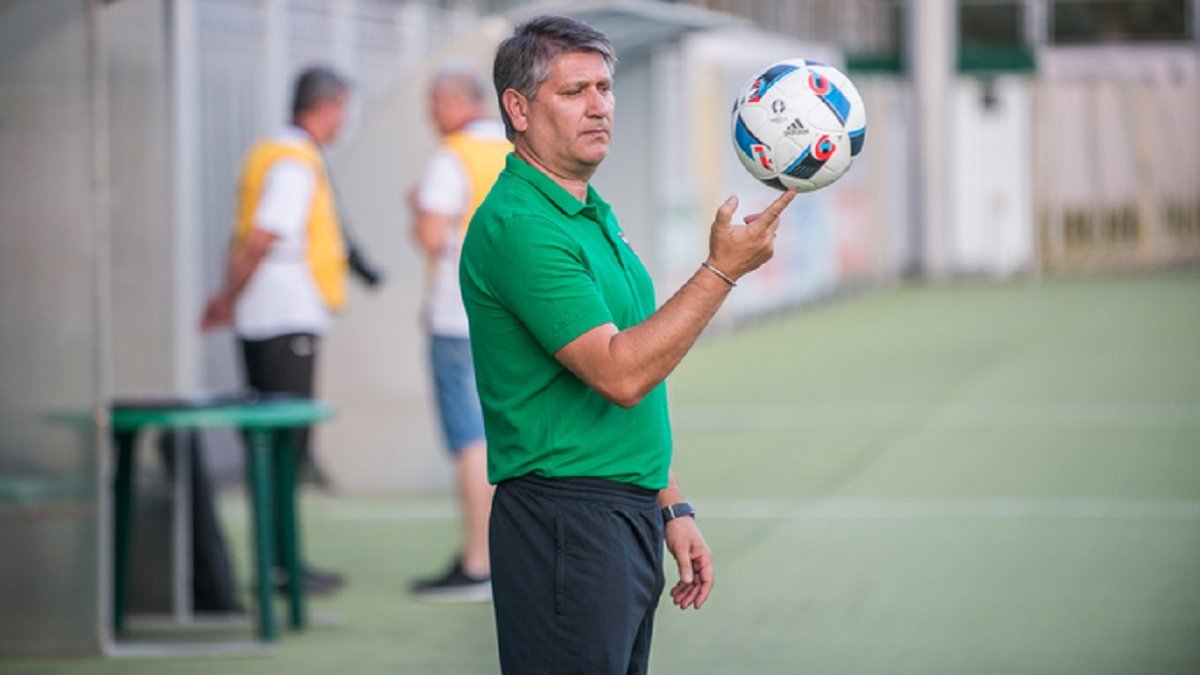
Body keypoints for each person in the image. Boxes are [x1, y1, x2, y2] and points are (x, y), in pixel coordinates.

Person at [460, 15, 797, 675]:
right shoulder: (520, 226)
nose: (599, 107)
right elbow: (621, 375)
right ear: (518, 109)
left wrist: (670, 502)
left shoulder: (587, 210)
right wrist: (722, 270)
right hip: (564, 519)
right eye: (574, 91)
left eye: (605, 88)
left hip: (618, 512)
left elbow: (633, 375)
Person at [200, 65, 353, 596]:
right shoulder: (294, 162)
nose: (344, 121)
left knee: (274, 443)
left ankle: (279, 560)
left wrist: (228, 296)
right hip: (285, 317)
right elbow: (264, 236)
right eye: (343, 109)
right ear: (327, 107)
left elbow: (244, 237)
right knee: (286, 444)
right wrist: (228, 297)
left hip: (267, 315)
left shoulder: (271, 151)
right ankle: (281, 566)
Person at [407, 64, 511, 601]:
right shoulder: (514, 151)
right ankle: (508, 557)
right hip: (510, 315)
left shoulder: (452, 157)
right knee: (506, 436)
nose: (430, 116)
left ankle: (478, 561)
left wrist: (417, 209)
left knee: (471, 441)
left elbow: (430, 236)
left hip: (456, 315)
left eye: (433, 104)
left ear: (454, 103)